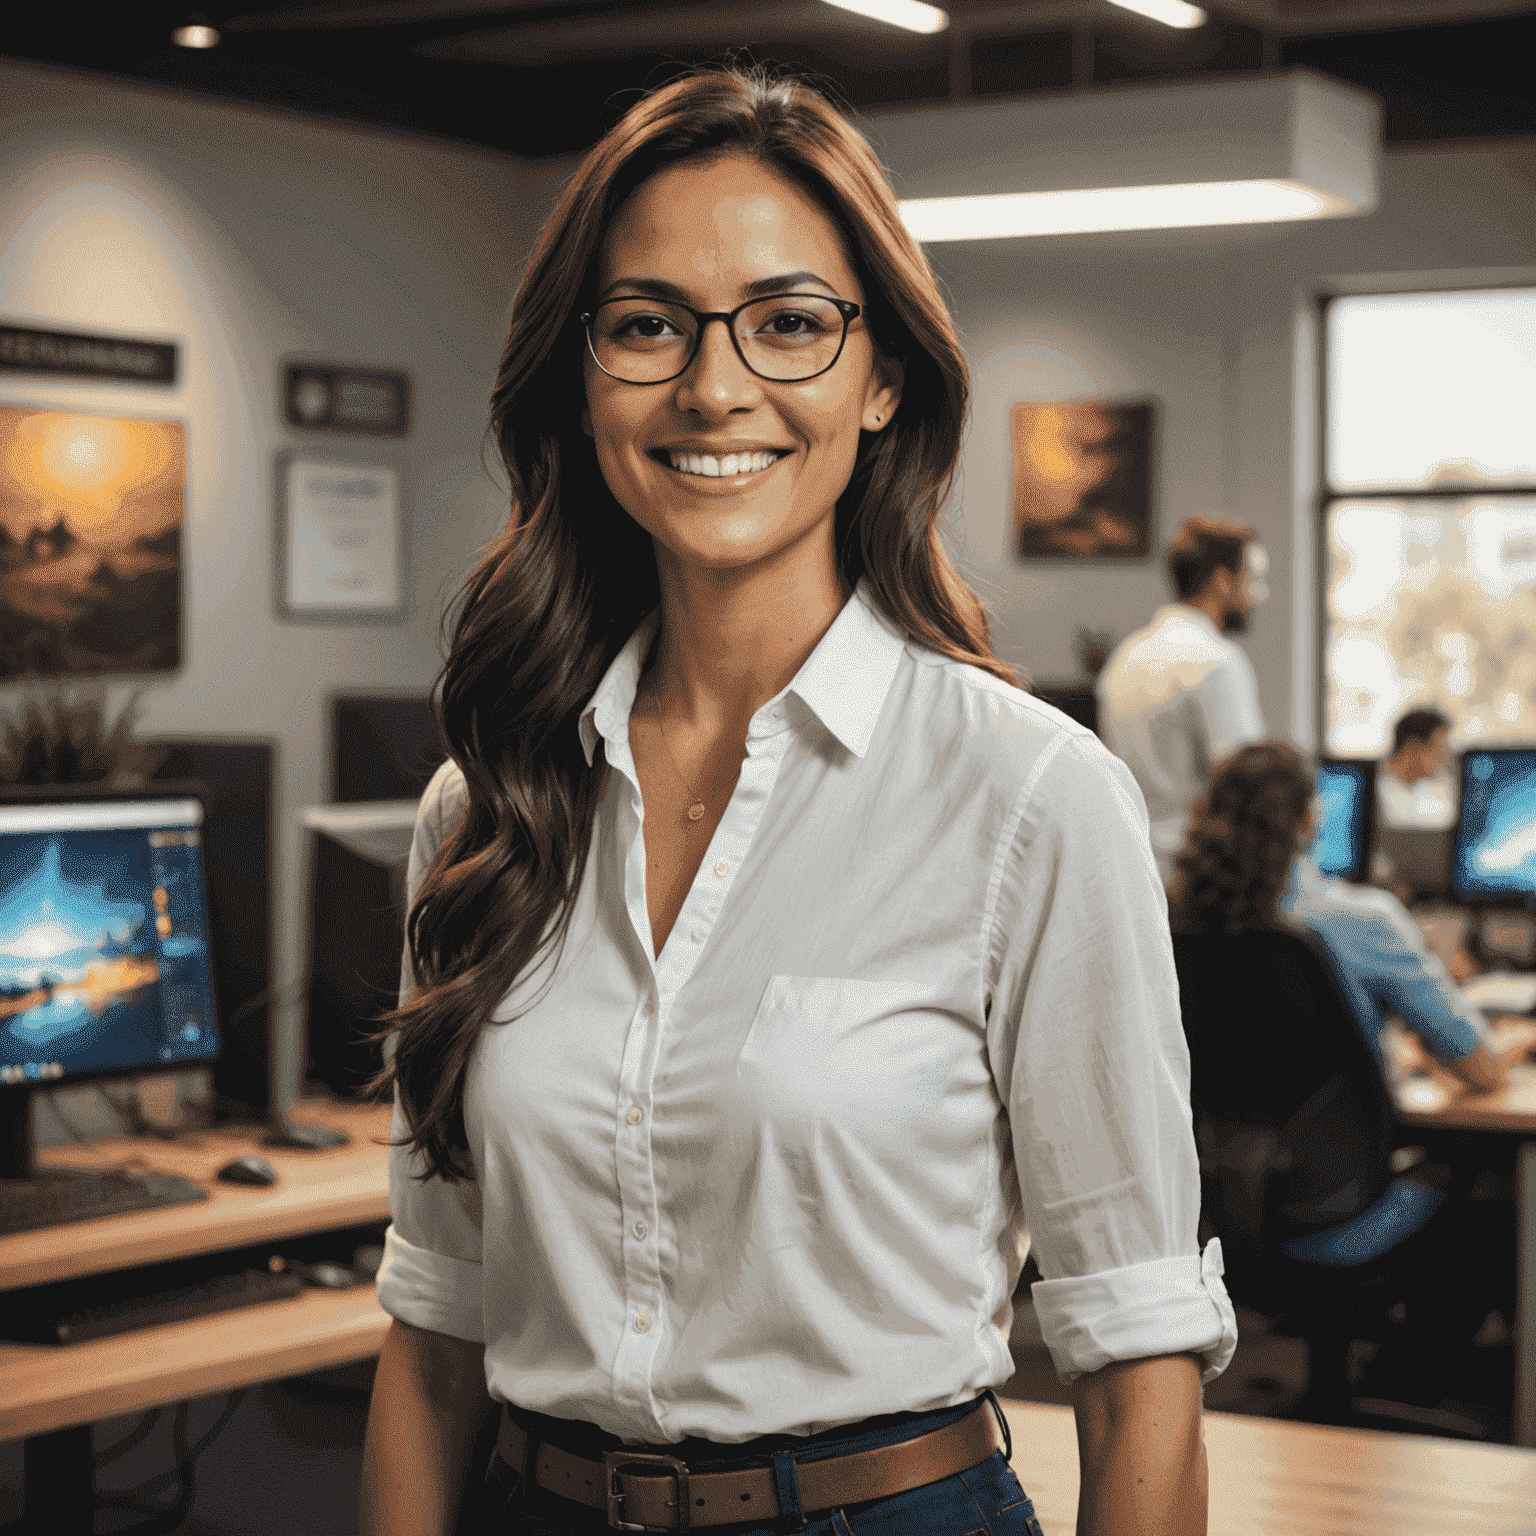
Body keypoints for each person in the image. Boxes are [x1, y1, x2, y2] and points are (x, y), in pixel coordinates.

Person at [358, 67, 1234, 1536]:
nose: (714, 387)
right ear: (580, 379)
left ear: (881, 376)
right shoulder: (487, 808)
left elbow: (1138, 1347)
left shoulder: (1030, 798)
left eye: (790, 323)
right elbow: (437, 1327)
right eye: (647, 325)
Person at [1173, 741, 1532, 1093]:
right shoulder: (1366, 921)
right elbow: (1481, 1069)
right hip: (1333, 1149)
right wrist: (1520, 1040)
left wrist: (1390, 1055)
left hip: (1208, 1149)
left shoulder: (1175, 921)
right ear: (1308, 820)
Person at [1095, 517, 1267, 883]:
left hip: (1133, 869)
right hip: (1199, 879)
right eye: (1253, 579)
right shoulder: (1217, 661)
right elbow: (1244, 786)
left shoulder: (1124, 658)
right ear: (1222, 581)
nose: (1259, 594)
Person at [1377, 705, 1456, 830]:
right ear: (1413, 747)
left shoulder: (1443, 788)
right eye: (1440, 747)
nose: (1447, 756)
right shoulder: (1374, 790)